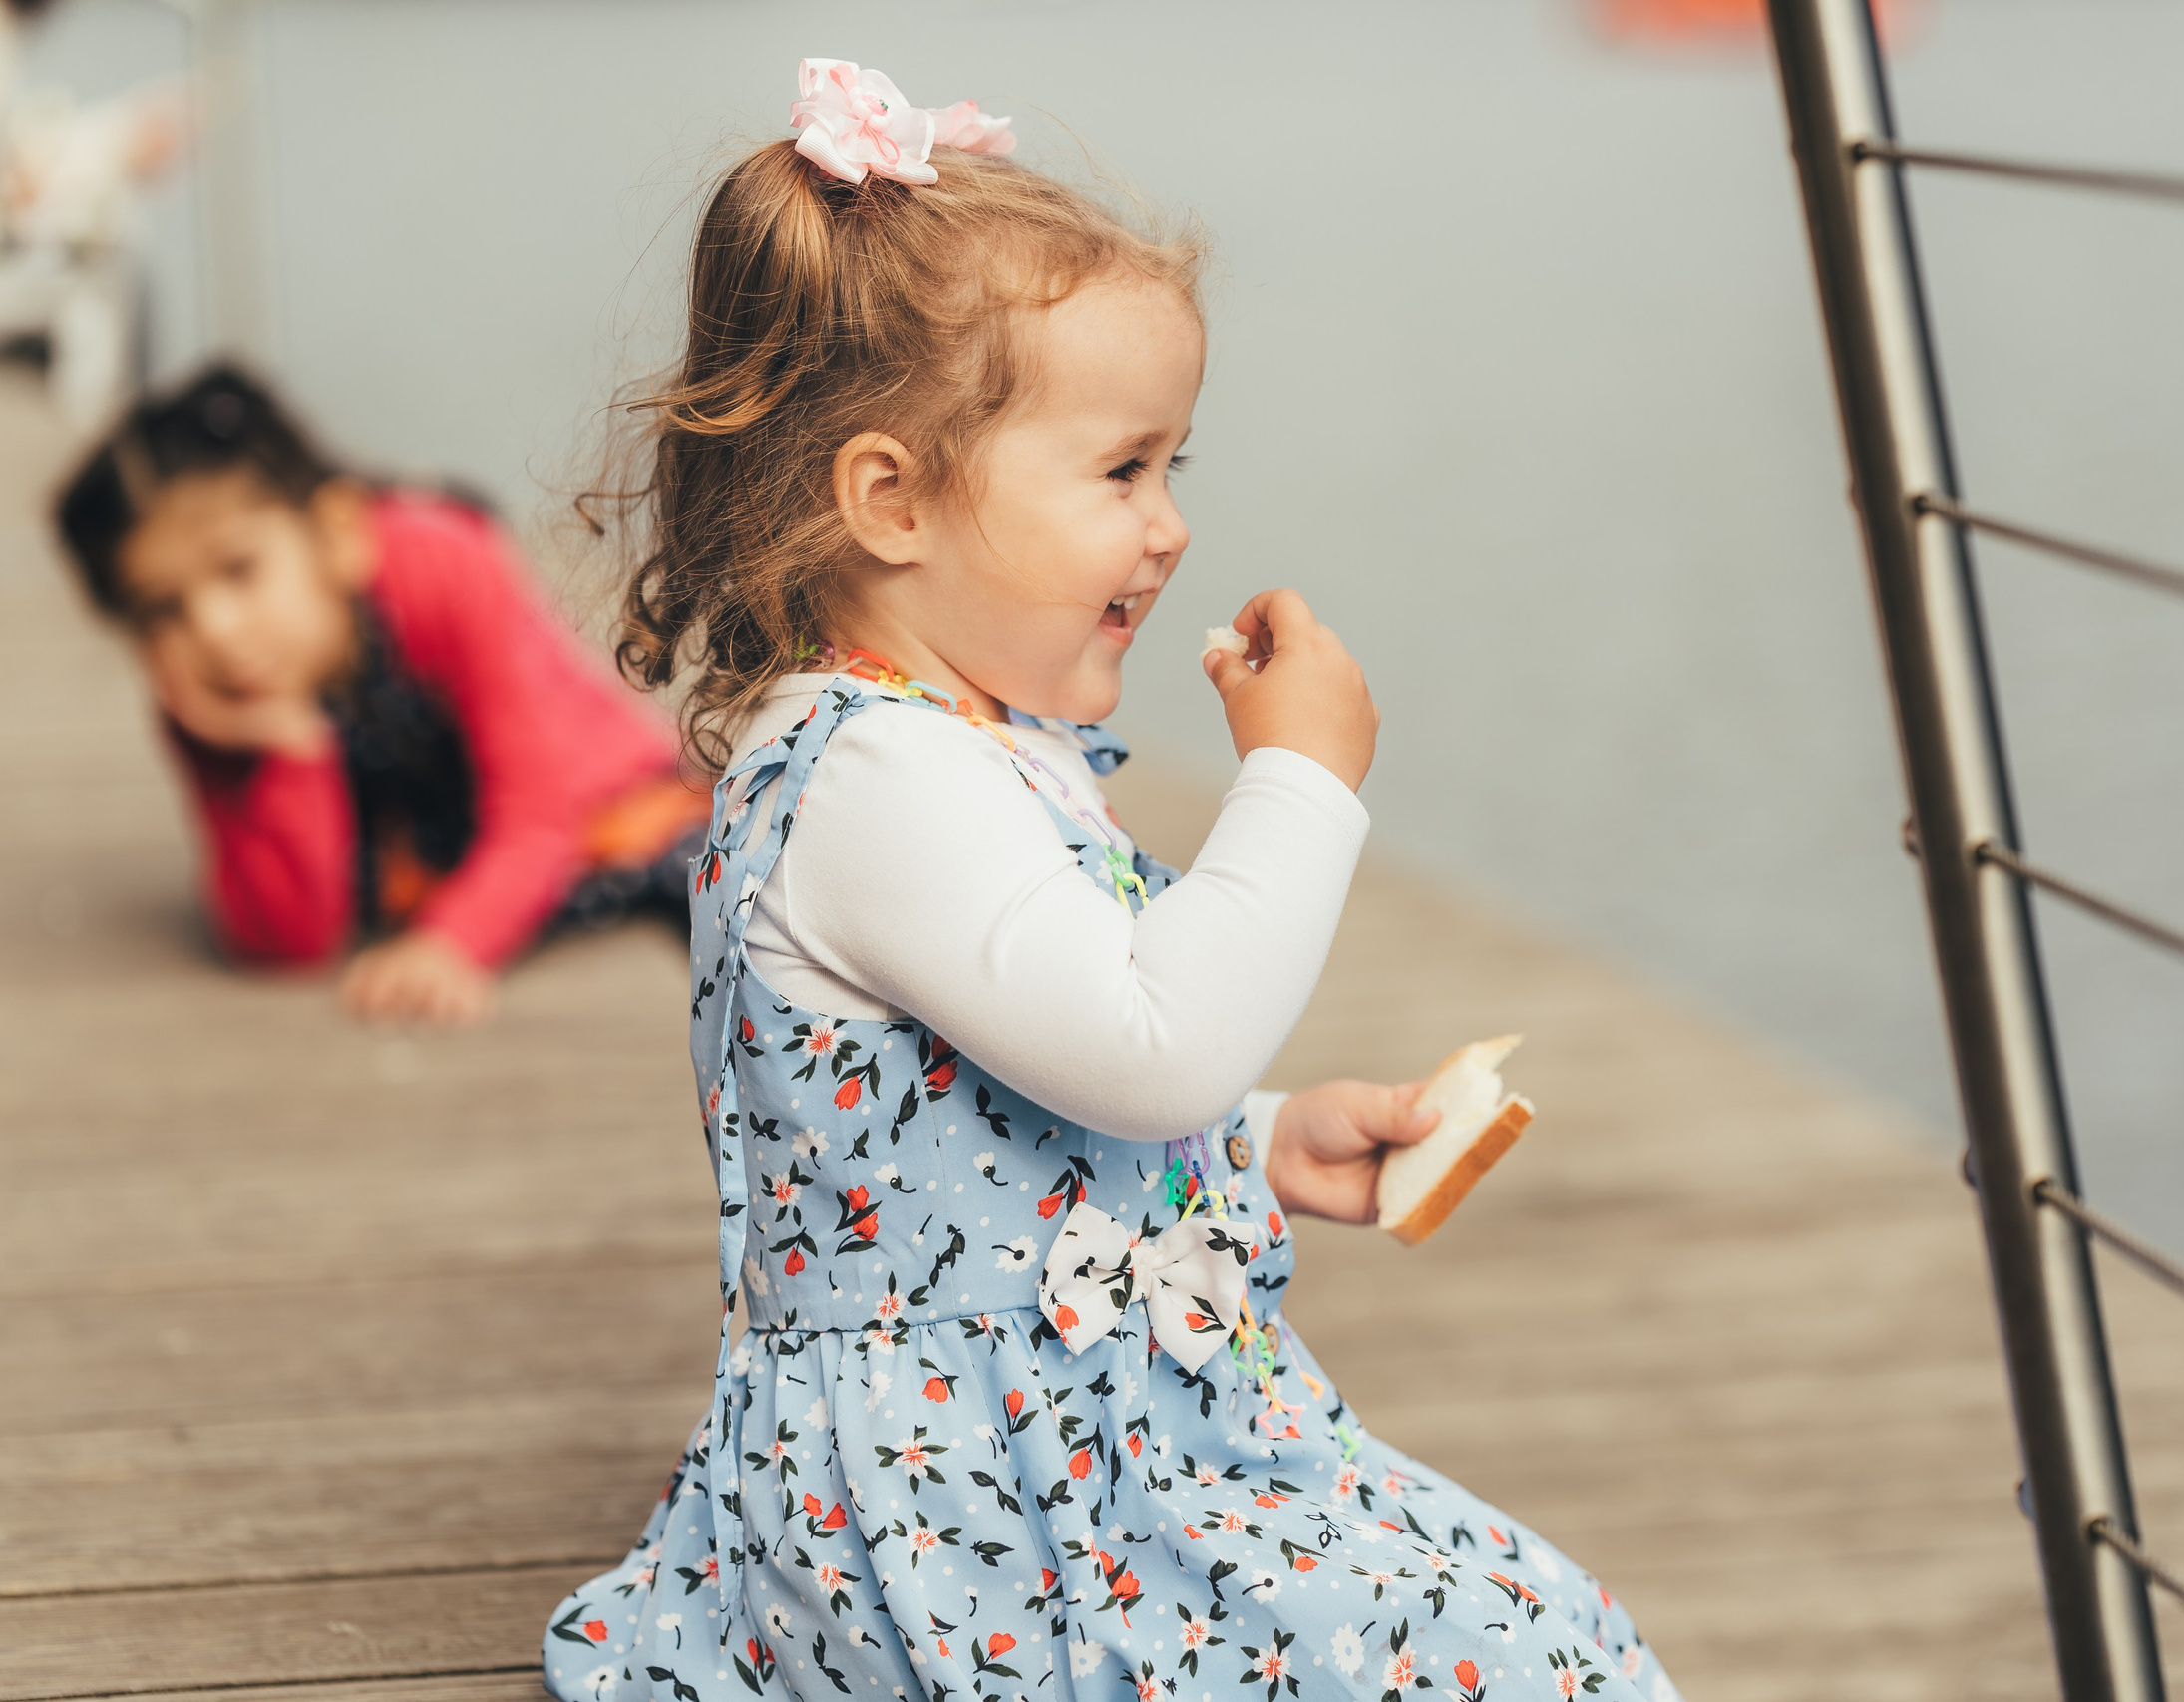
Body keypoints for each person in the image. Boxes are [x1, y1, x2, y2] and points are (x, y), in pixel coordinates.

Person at [544, 59, 1676, 1702]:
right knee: (1526, 1658)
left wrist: (1266, 1137)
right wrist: (1300, 779)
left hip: (1060, 1438)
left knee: (1511, 1618)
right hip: (986, 1510)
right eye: (1124, 471)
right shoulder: (875, 779)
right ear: (892, 498)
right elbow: (1153, 1042)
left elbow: (1007, 1085)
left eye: (1175, 470)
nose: (1169, 530)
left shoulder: (940, 741)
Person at [55, 365, 706, 1024]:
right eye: (162, 611)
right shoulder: (205, 694)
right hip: (439, 857)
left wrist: (450, 943)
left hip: (606, 813)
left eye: (239, 570)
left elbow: (539, 809)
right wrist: (285, 741)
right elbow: (287, 941)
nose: (214, 630)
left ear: (336, 532)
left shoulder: (440, 560)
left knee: (724, 893)